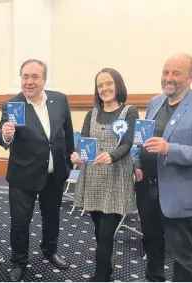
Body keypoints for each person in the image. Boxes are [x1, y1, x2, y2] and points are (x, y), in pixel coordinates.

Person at [134, 53, 192, 282]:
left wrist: (168, 149)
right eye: (165, 72)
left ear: (191, 77)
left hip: (180, 193)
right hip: (148, 189)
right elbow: (143, 138)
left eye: (176, 73)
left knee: (181, 254)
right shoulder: (155, 102)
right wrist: (138, 163)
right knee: (152, 245)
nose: (168, 78)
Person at [0, 59, 74, 282]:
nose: (29, 82)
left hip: (54, 173)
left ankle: (50, 250)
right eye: (25, 77)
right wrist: (6, 135)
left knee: (52, 217)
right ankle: (18, 261)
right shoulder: (13, 105)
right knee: (20, 222)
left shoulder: (59, 100)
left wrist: (68, 160)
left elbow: (67, 133)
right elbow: (2, 136)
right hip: (23, 176)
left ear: (44, 79)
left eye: (34, 77)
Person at [72, 68, 139, 282]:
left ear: (117, 84)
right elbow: (83, 141)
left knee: (105, 233)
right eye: (100, 85)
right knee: (99, 227)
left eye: (108, 83)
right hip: (93, 178)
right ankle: (106, 268)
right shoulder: (91, 113)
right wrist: (77, 154)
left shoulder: (129, 111)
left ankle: (101, 277)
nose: (104, 89)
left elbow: (128, 143)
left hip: (117, 176)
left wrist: (112, 156)